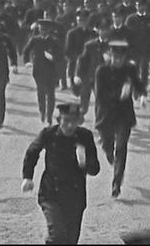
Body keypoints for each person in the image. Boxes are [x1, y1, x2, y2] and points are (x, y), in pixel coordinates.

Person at [22, 103, 100, 244]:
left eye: (74, 122)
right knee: (57, 236)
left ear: (79, 121)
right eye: (66, 121)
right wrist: (27, 177)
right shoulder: (49, 134)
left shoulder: (85, 136)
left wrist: (84, 161)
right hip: (51, 193)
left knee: (70, 240)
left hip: (75, 198)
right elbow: (32, 152)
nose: (70, 126)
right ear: (59, 121)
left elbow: (95, 170)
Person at [94, 40, 146, 198]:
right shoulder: (102, 71)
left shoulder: (129, 69)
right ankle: (112, 159)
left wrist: (141, 95)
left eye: (120, 58)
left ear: (124, 58)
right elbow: (100, 95)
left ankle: (116, 183)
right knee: (108, 148)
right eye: (115, 57)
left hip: (124, 115)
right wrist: (120, 95)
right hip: (106, 115)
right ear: (110, 56)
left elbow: (138, 83)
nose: (117, 60)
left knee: (121, 147)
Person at [23, 19, 65, 125]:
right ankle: (42, 111)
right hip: (38, 71)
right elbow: (26, 51)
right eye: (41, 29)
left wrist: (53, 58)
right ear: (39, 29)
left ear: (49, 30)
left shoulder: (54, 41)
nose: (43, 31)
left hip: (51, 71)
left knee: (51, 94)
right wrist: (27, 61)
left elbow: (61, 56)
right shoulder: (35, 40)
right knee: (41, 93)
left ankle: (49, 115)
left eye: (45, 29)